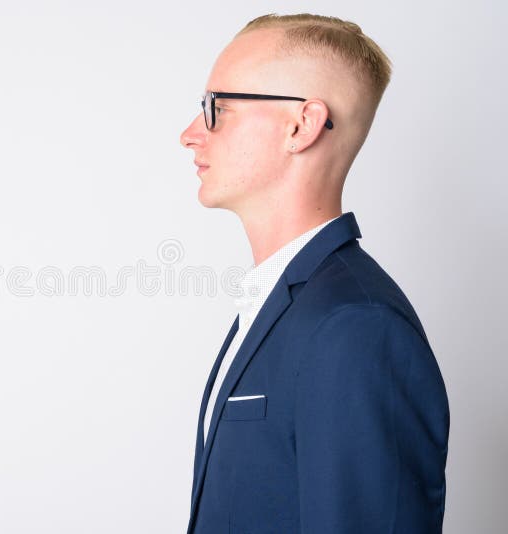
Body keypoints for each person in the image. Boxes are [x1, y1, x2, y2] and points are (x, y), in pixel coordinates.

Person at [179, 13, 449, 533]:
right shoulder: (288, 307)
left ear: (301, 126)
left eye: (218, 108)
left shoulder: (356, 327)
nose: (190, 134)